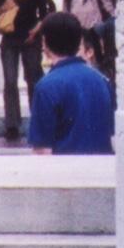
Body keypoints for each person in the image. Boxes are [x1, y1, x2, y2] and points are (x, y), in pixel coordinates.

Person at [0, 0, 56, 140]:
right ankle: (12, 125)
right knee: (10, 81)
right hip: (10, 40)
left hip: (30, 40)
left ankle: (39, 120)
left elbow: (46, 12)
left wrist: (36, 31)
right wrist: (4, 7)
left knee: (33, 80)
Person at [27, 11, 115, 155]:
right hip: (103, 170)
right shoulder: (102, 80)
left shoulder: (46, 87)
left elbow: (42, 150)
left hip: (65, 173)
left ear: (45, 43)